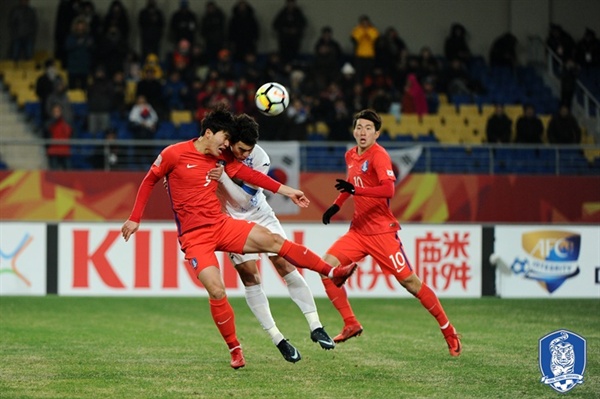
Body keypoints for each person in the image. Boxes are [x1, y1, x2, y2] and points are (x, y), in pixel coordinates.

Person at [120, 105, 357, 369]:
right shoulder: (173, 154)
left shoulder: (221, 157)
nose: (226, 144)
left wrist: (288, 191)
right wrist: (134, 217)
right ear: (209, 133)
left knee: (275, 243)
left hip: (222, 225)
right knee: (217, 289)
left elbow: (249, 174)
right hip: (195, 237)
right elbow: (149, 180)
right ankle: (235, 349)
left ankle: (331, 273)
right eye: (224, 138)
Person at [319, 109, 462, 357]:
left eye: (368, 128)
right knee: (326, 267)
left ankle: (449, 331)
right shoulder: (351, 155)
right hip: (358, 231)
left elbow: (388, 190)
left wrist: (355, 191)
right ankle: (350, 323)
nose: (362, 132)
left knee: (410, 283)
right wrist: (336, 205)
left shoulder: (379, 156)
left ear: (377, 133)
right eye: (359, 127)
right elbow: (350, 186)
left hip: (382, 233)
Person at [211, 113, 336, 363]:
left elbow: (244, 199)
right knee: (250, 276)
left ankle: (315, 325)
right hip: (230, 221)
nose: (246, 154)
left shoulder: (261, 158)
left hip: (259, 213)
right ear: (231, 142)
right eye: (242, 149)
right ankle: (278, 338)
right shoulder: (219, 151)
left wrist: (223, 176)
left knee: (284, 263)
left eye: (249, 150)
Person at [272, 0, 307, 64]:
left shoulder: (298, 13)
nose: (291, 5)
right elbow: (275, 25)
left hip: (294, 39)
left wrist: (296, 29)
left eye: (292, 4)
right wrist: (285, 30)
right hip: (284, 40)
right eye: (289, 4)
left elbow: (303, 24)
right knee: (284, 57)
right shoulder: (282, 13)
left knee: (294, 56)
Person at [350, 15, 379, 83]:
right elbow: (355, 39)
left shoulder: (373, 30)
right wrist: (363, 32)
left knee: (369, 74)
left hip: (370, 55)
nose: (365, 24)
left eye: (366, 22)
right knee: (359, 74)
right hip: (359, 55)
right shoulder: (357, 30)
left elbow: (375, 39)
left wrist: (367, 32)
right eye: (363, 22)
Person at [46, 103, 73, 170]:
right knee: (54, 174)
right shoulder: (49, 123)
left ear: (61, 112)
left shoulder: (66, 122)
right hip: (54, 151)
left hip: (64, 151)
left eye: (58, 111)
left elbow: (70, 133)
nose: (56, 113)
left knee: (68, 174)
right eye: (55, 112)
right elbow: (46, 132)